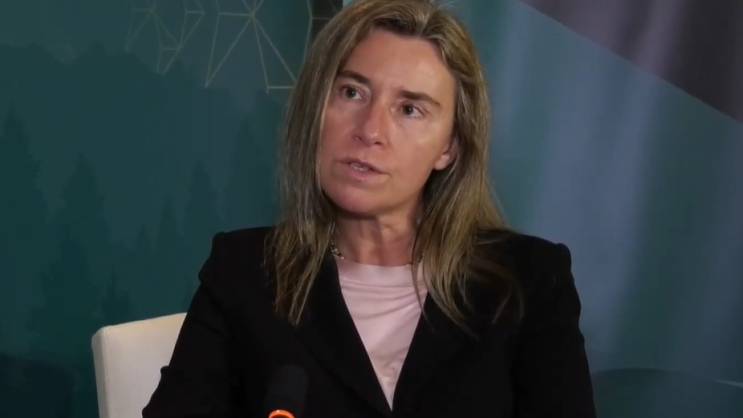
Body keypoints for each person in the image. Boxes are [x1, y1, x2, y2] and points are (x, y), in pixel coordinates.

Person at [143, 0, 596, 417]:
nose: (371, 130)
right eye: (352, 93)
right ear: (316, 108)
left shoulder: (531, 282)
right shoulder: (243, 272)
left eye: (410, 109)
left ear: (449, 147)